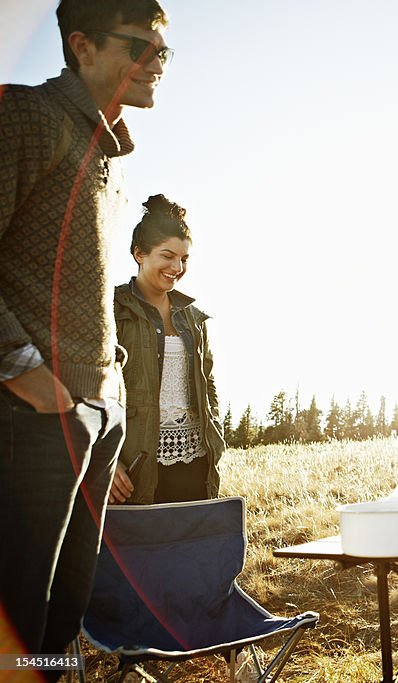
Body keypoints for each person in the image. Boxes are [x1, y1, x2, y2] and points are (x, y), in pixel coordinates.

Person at [0, 0, 171, 666]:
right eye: (139, 47)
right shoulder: (25, 116)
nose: (155, 64)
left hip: (97, 421)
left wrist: (113, 389)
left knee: (63, 621)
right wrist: (27, 374)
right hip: (32, 418)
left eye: (162, 52)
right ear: (83, 47)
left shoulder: (114, 156)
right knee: (20, 619)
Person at [108, 195, 225, 505]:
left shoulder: (193, 318)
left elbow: (208, 383)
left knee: (192, 551)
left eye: (184, 259)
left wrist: (217, 433)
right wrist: (102, 462)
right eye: (168, 256)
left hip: (195, 464)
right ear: (139, 253)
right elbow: (89, 391)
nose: (177, 267)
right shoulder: (111, 309)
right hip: (134, 467)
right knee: (138, 552)